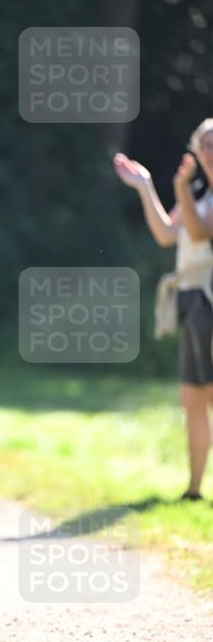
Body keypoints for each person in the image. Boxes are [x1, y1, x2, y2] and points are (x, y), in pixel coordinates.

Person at [113, 117, 213, 501]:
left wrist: (179, 188)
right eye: (204, 143)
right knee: (192, 400)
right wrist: (146, 187)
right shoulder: (198, 193)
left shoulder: (197, 196)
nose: (209, 151)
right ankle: (194, 491)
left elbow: (201, 231)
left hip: (208, 298)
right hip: (190, 299)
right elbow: (167, 234)